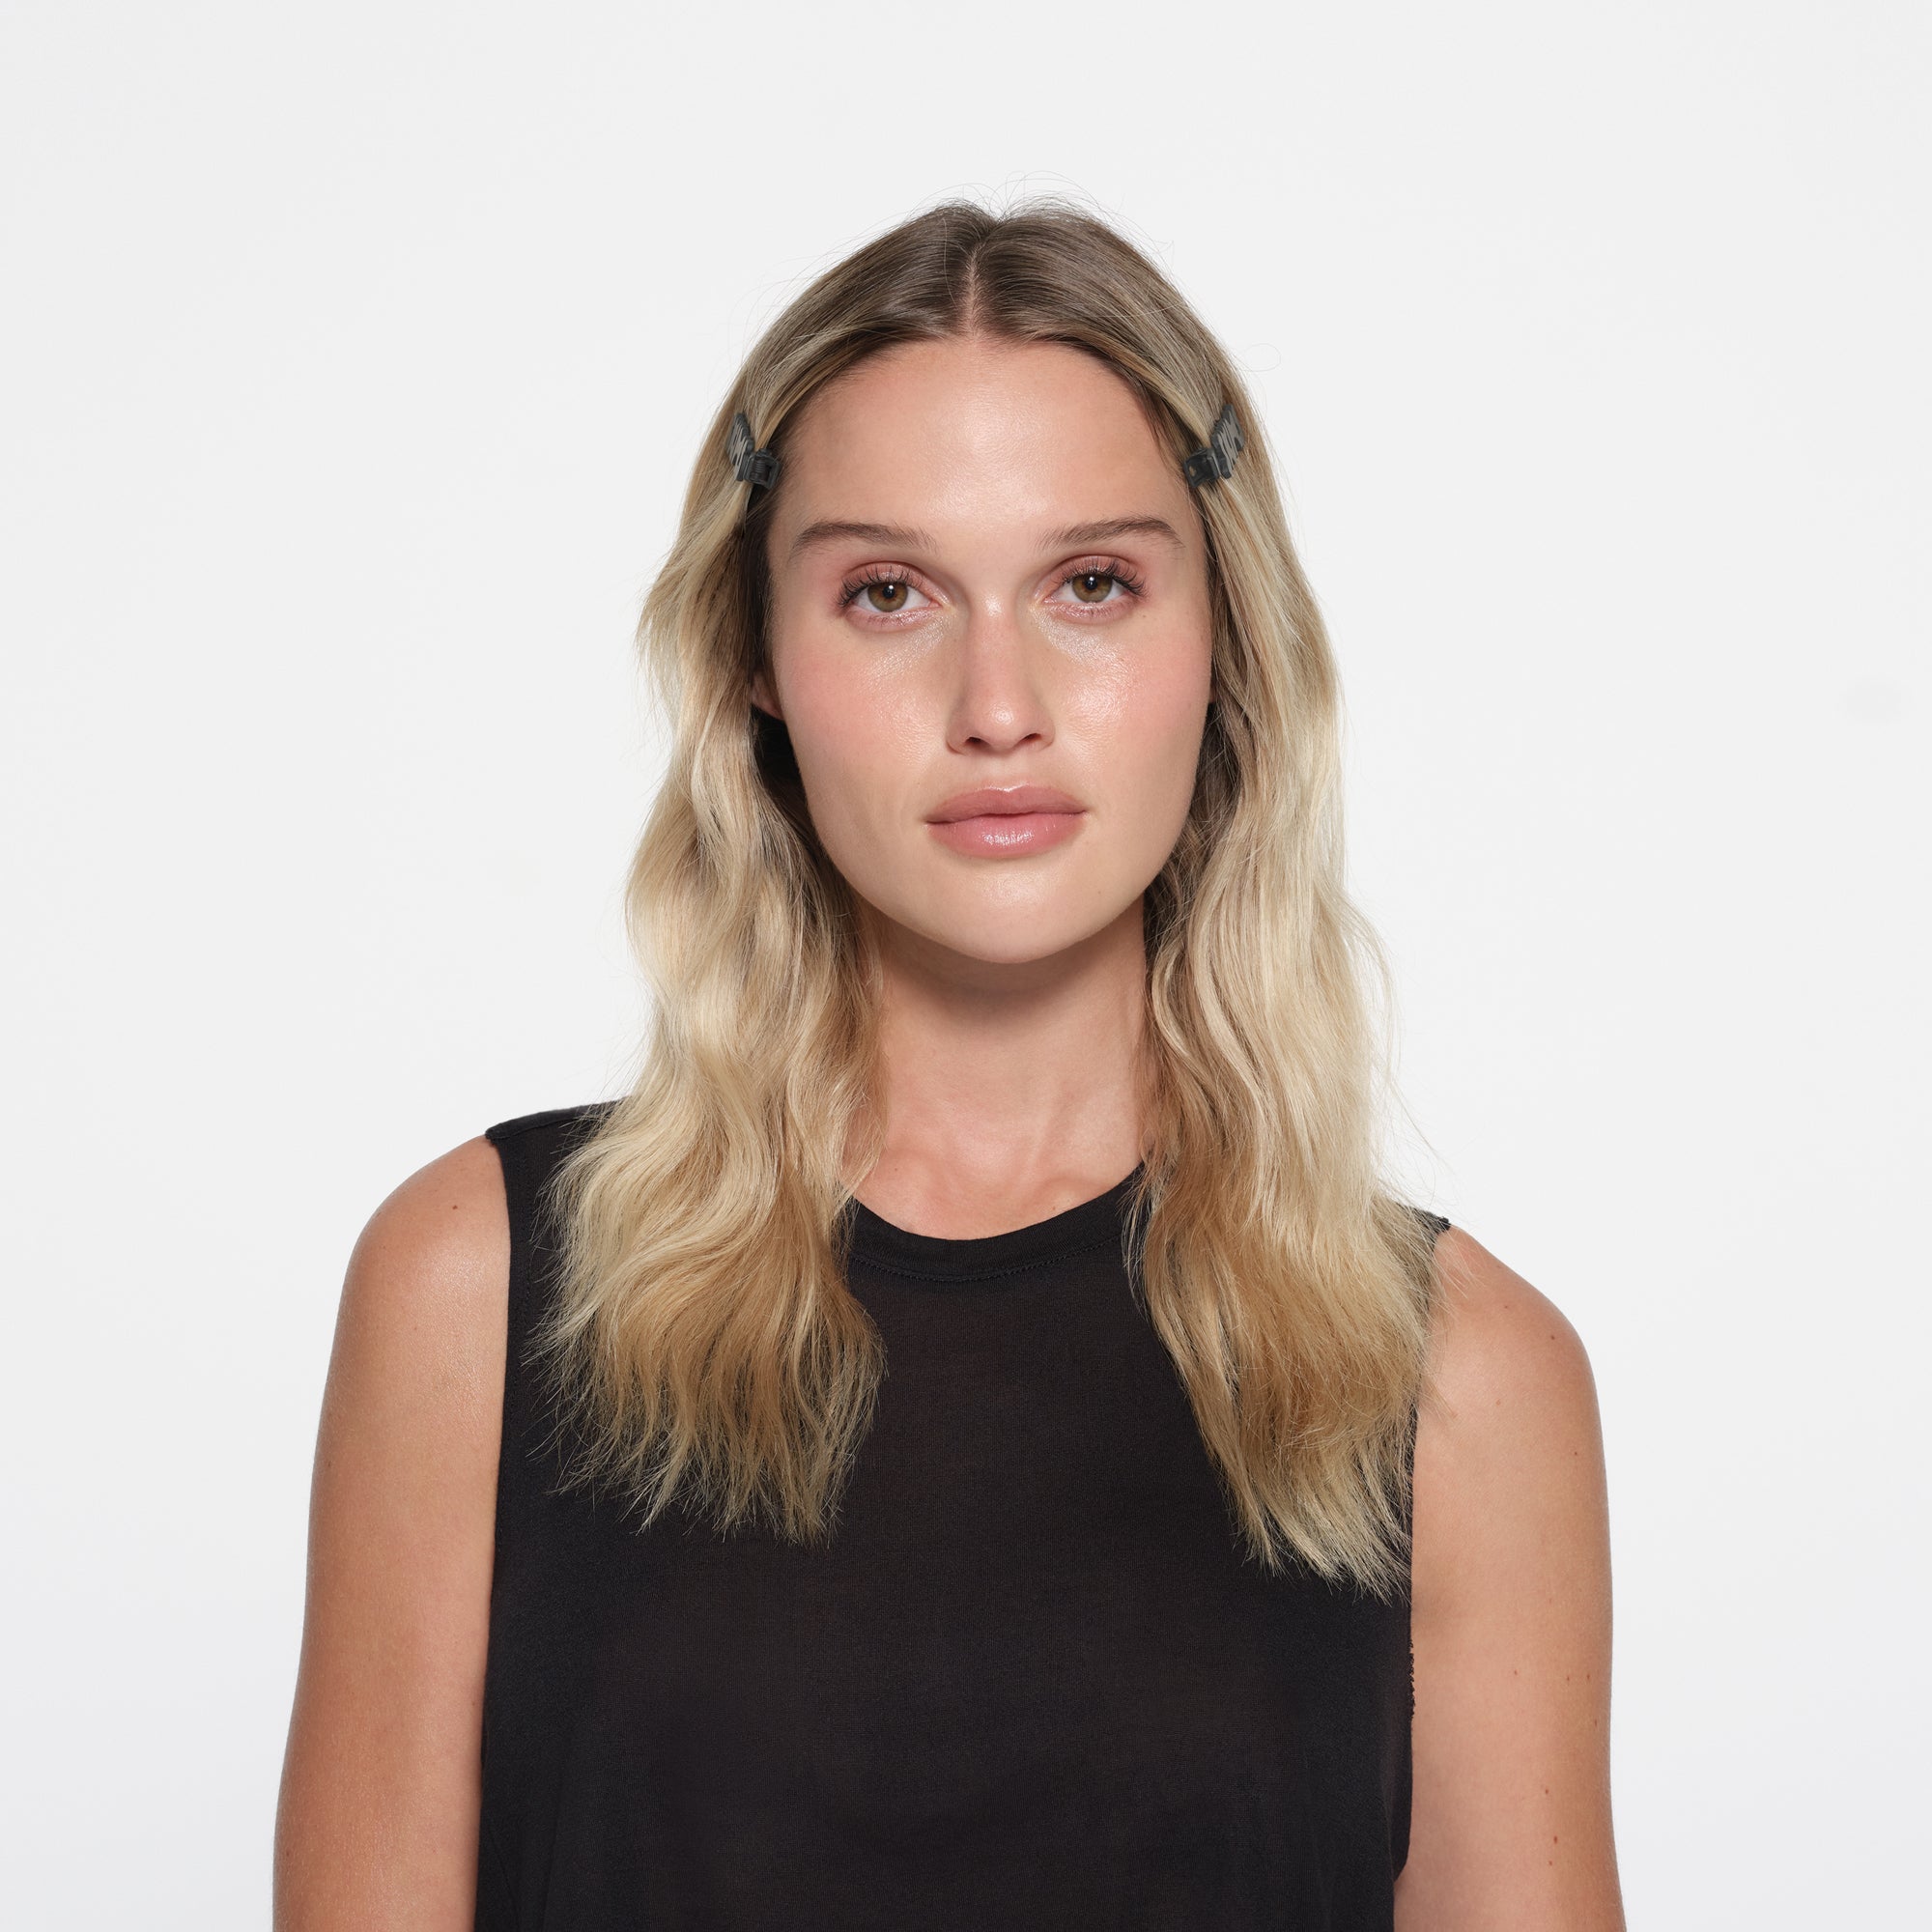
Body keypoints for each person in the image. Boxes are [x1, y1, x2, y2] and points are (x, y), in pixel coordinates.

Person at [274, 200, 1624, 1930]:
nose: (999, 702)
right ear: (756, 664)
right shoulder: (478, 1290)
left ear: (1225, 644)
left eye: (1093, 585)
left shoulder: (1459, 1381)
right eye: (888, 593)